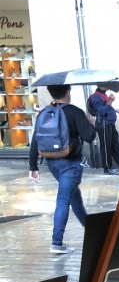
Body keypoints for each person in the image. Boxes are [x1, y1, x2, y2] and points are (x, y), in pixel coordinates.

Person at [29, 84, 96, 254]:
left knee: (75, 199)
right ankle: (56, 242)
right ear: (68, 92)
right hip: (71, 164)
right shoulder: (74, 111)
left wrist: (33, 166)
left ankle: (93, 231)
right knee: (63, 200)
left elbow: (36, 140)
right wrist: (90, 122)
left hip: (53, 164)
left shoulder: (44, 112)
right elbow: (89, 136)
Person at [87, 84, 119, 174]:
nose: (109, 86)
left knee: (115, 145)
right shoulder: (96, 97)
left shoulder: (103, 95)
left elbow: (106, 107)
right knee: (106, 146)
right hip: (103, 123)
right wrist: (110, 101)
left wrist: (115, 110)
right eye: (107, 84)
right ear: (102, 85)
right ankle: (107, 168)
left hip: (109, 123)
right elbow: (101, 111)